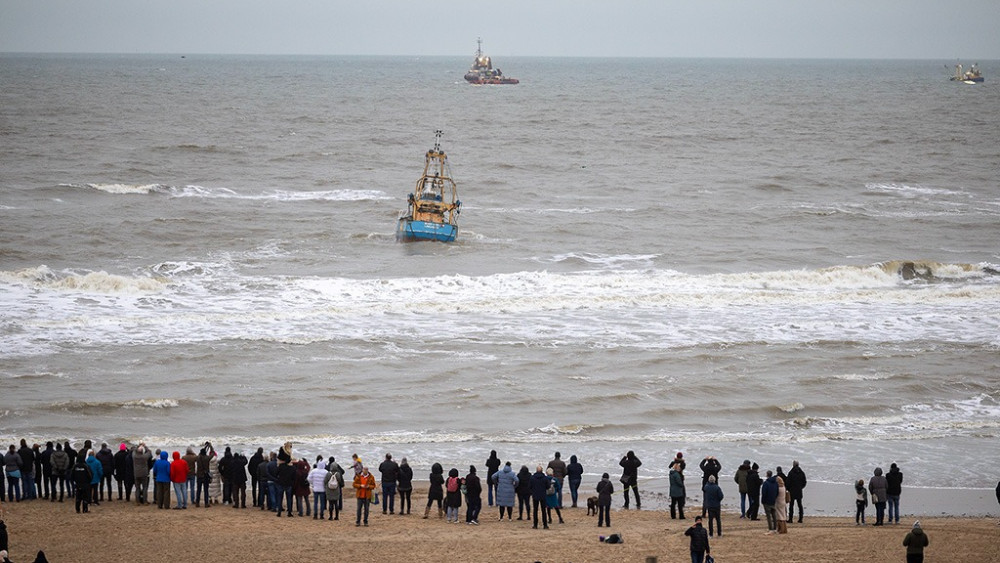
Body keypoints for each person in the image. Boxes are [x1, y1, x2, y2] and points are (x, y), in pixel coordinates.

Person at [529, 465, 550, 529]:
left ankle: (535, 525)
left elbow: (530, 486)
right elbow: (548, 486)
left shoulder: (532, 478)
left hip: (535, 495)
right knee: (544, 510)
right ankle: (545, 525)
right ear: (542, 471)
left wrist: (532, 491)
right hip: (543, 495)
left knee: (535, 510)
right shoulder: (545, 478)